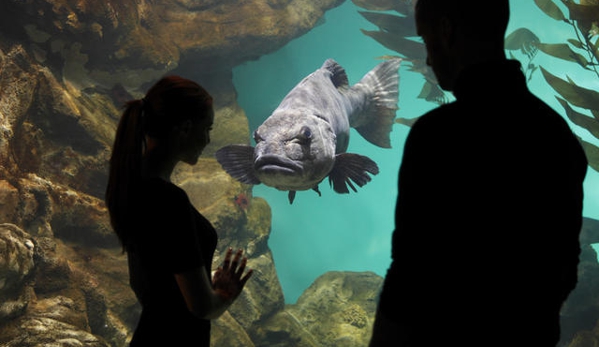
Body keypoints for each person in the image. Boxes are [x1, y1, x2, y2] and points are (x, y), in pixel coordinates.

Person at [369, 0, 588, 346]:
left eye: (426, 41)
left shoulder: (436, 137)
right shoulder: (556, 135)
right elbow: (563, 269)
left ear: (446, 31)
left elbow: (409, 277)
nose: (427, 58)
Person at [105, 76, 252, 346]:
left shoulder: (132, 182)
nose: (208, 139)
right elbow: (202, 308)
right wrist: (224, 292)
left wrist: (200, 281)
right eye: (207, 128)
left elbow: (151, 280)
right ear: (185, 128)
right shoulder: (168, 200)